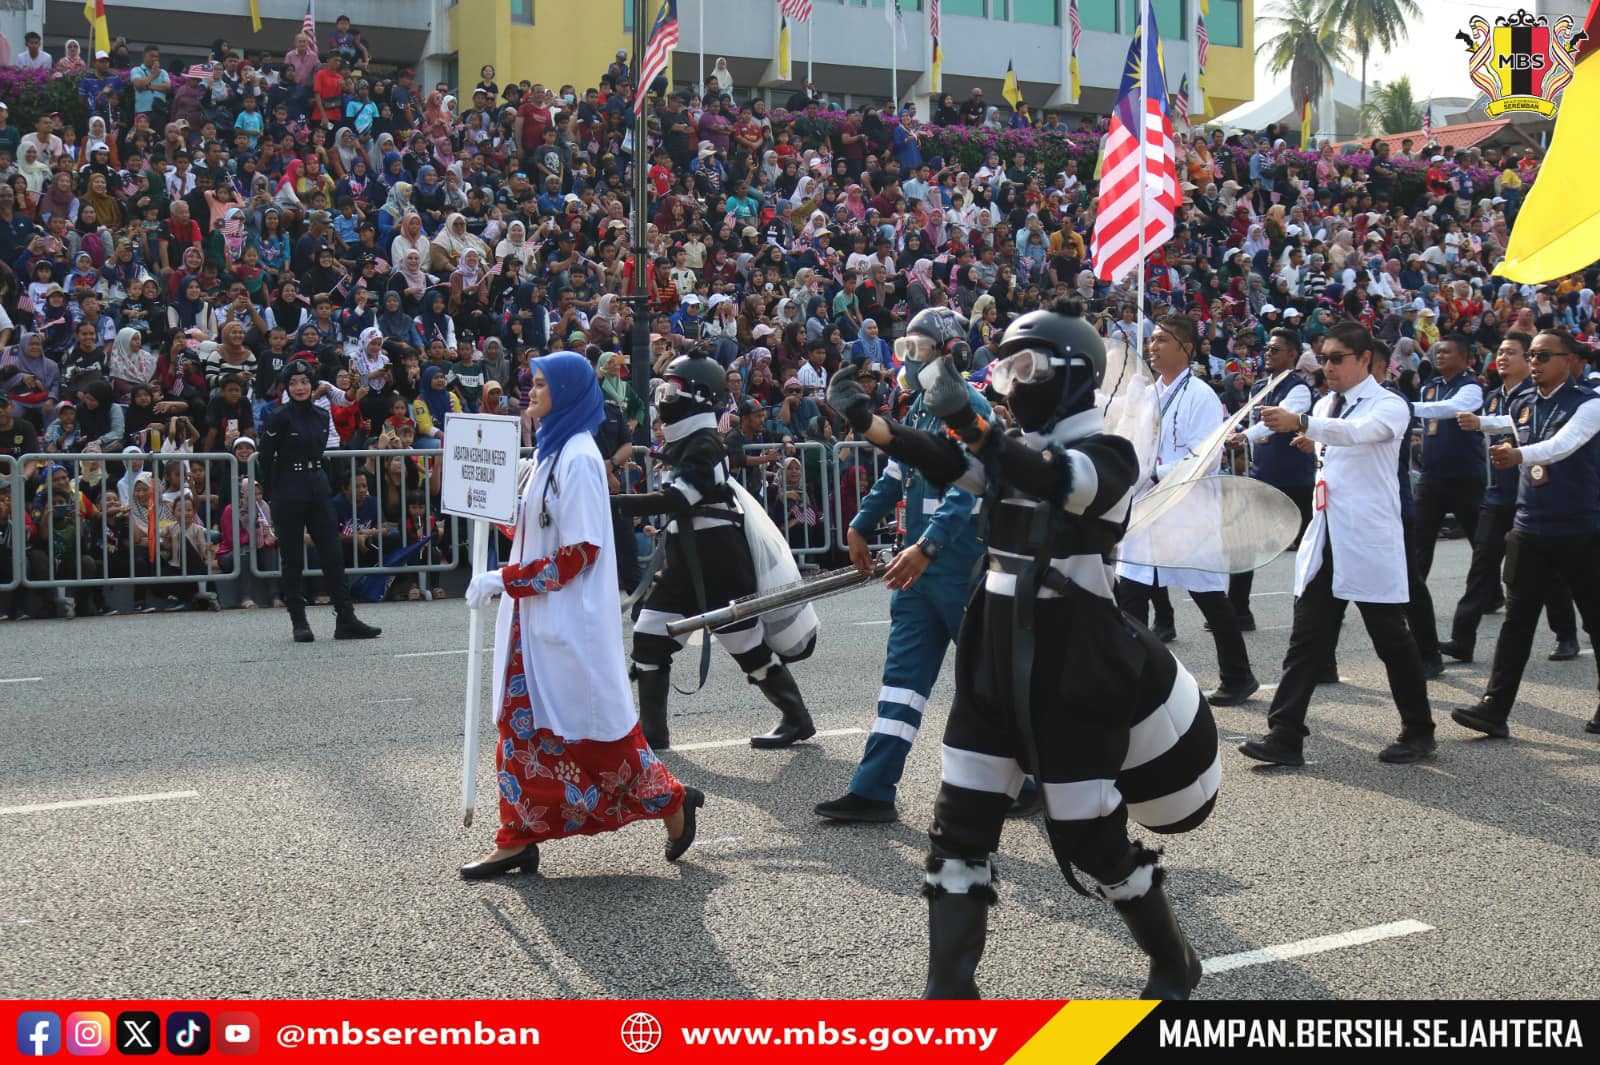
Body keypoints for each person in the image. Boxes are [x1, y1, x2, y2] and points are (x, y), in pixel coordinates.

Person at [827, 299, 1219, 1000]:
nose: (1010, 379)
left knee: (1090, 837)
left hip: (1076, 660)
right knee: (958, 827)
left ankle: (1173, 959)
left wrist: (969, 419)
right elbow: (951, 461)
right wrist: (872, 424)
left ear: (1070, 374)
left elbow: (1042, 474)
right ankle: (949, 994)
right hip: (995, 647)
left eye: (1024, 365)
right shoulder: (1010, 449)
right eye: (1004, 365)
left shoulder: (1109, 454)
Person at [459, 352, 703, 879]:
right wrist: (491, 510)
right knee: (522, 731)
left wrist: (503, 581)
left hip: (567, 622)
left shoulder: (581, 459)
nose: (532, 393)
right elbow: (537, 528)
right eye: (533, 384)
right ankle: (516, 836)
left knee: (597, 736)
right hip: (532, 623)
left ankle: (671, 800)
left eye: (542, 385)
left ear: (567, 392)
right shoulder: (548, 453)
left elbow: (580, 553)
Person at [814, 308, 993, 825]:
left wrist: (927, 547)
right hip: (918, 572)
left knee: (990, 682)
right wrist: (859, 524)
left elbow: (969, 490)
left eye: (917, 348)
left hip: (960, 568)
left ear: (949, 352)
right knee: (901, 683)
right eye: (905, 348)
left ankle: (1036, 778)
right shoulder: (916, 412)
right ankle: (873, 790)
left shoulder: (971, 406)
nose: (906, 360)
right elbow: (895, 477)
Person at [1239, 323, 1437, 767]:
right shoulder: (1330, 402)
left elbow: (1361, 433)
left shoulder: (1390, 404)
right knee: (1306, 640)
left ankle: (1419, 730)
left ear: (1365, 359)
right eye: (1324, 358)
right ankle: (1285, 735)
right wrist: (1314, 437)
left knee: (1391, 639)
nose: (1328, 366)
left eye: (1338, 358)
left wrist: (1307, 424)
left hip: (1367, 540)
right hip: (1328, 537)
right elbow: (1339, 438)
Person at [615, 351, 817, 751]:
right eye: (664, 388)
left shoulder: (706, 444)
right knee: (649, 638)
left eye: (673, 389)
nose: (664, 397)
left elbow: (678, 499)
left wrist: (612, 502)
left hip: (720, 561)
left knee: (743, 643)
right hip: (688, 562)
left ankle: (796, 717)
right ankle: (653, 735)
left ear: (700, 397)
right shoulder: (686, 442)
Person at [1450, 329, 1600, 740]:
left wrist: (1519, 454)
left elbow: (1562, 444)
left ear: (1569, 360)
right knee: (1516, 622)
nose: (1534, 362)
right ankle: (1494, 709)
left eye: (1543, 355)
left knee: (1597, 620)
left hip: (1581, 530)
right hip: (1529, 528)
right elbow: (1513, 425)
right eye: (1531, 355)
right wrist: (1482, 424)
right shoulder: (1524, 401)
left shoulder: (1590, 404)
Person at [1117, 315, 1259, 707]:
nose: (1153, 346)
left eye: (1163, 340)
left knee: (1209, 596)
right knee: (1129, 592)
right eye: (1152, 340)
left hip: (1187, 513)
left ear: (1186, 349)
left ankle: (1238, 675)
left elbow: (1206, 455)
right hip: (1148, 511)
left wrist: (1155, 471)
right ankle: (1133, 679)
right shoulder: (1149, 394)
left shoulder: (1201, 395)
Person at [1440, 332, 1579, 664]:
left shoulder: (1541, 397)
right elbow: (1505, 421)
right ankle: (1462, 639)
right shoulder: (1497, 396)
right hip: (1498, 495)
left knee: (1549, 575)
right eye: (1500, 351)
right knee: (1482, 567)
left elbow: (1512, 426)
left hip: (1531, 498)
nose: (1503, 358)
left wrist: (1483, 423)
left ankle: (1566, 634)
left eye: (1513, 353)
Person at [255, 359, 381, 643]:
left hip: (317, 485)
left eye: (304, 382)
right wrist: (276, 491)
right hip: (288, 487)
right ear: (287, 387)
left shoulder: (321, 416)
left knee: (333, 553)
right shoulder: (279, 417)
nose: (300, 387)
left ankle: (345, 617)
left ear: (312, 385)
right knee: (293, 558)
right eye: (294, 383)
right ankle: (299, 620)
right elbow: (265, 458)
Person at [1226, 327, 1315, 629]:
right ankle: (1238, 611)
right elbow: (1254, 425)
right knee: (1243, 543)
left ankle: (1321, 605)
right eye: (1266, 348)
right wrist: (1241, 436)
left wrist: (1245, 436)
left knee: (1312, 546)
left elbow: (1277, 421)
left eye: (1275, 349)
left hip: (1295, 478)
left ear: (1292, 355)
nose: (1268, 353)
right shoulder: (1260, 387)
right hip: (1263, 475)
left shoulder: (1299, 388)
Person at [1409, 333, 1485, 582]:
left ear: (1465, 357)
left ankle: (1491, 592)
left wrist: (1407, 407)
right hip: (1431, 476)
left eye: (1446, 352)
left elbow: (1451, 409)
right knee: (1419, 538)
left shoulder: (1471, 387)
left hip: (1465, 475)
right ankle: (1413, 599)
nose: (1439, 355)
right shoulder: (1429, 387)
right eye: (1438, 351)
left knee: (1478, 539)